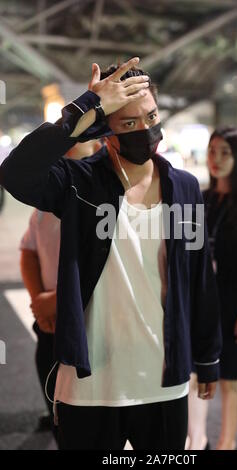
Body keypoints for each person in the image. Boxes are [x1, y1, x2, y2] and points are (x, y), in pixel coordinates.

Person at [0, 57, 222, 450]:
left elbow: (200, 278)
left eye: (152, 117)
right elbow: (16, 173)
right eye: (130, 123)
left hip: (163, 383)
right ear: (106, 131)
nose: (147, 131)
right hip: (90, 387)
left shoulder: (185, 188)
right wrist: (86, 106)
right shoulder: (78, 182)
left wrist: (207, 358)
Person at [186, 127, 237, 451]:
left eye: (225, 152)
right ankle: (196, 440)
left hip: (234, 303)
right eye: (211, 151)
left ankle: (226, 444)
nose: (215, 159)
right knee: (192, 376)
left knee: (231, 380)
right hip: (200, 301)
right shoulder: (201, 198)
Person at [20, 140, 101, 435]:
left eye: (80, 136)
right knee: (51, 385)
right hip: (49, 321)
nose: (69, 143)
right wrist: (38, 300)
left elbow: (107, 266)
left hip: (88, 320)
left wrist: (56, 300)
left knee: (90, 418)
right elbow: (28, 251)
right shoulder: (47, 200)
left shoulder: (101, 198)